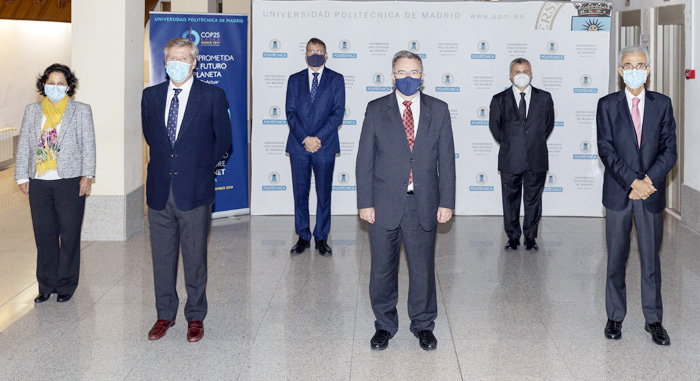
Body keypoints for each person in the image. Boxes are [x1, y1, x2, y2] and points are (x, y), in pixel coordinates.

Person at [356, 50, 455, 351]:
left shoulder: (438, 109)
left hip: (422, 203)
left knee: (423, 269)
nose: (408, 78)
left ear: (423, 77)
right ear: (392, 76)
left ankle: (423, 324)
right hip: (383, 203)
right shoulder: (376, 109)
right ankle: (384, 325)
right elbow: (365, 160)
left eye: (414, 73)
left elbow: (447, 161)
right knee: (382, 270)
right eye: (402, 73)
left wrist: (447, 202)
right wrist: (365, 202)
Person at [141, 37, 232, 342]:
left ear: (194, 63)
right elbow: (152, 137)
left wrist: (200, 167)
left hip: (194, 190)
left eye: (183, 58)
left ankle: (195, 315)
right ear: (165, 63)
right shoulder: (150, 96)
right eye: (172, 59)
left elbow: (224, 141)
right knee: (162, 257)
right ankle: (165, 314)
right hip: (158, 190)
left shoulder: (212, 95)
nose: (177, 63)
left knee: (194, 258)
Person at [596, 45, 677, 346]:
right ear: (620, 71)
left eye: (639, 64)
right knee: (616, 257)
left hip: (651, 194)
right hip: (619, 193)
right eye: (628, 65)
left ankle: (653, 320)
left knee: (650, 260)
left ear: (648, 69)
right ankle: (615, 315)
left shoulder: (663, 104)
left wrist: (648, 181)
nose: (634, 69)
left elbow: (670, 150)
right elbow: (606, 149)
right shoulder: (606, 105)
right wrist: (632, 181)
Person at [15, 63, 95, 304]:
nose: (56, 87)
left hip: (69, 180)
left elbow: (88, 145)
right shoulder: (32, 111)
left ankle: (66, 285)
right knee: (45, 234)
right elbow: (25, 145)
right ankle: (46, 285)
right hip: (39, 181)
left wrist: (87, 175)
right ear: (43, 85)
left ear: (69, 86)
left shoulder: (80, 110)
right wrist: (22, 176)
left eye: (61, 83)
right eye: (51, 82)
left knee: (69, 234)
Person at [285, 37, 346, 256]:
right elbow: (290, 113)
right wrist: (305, 138)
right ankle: (303, 236)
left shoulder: (336, 79)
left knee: (323, 193)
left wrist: (317, 138)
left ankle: (321, 237)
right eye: (311, 50)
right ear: (305, 54)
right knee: (300, 193)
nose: (315, 54)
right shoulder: (294, 80)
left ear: (326, 55)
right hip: (299, 146)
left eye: (319, 51)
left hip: (325, 145)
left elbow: (338, 113)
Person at [488, 58, 554, 251]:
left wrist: (532, 143)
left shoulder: (545, 98)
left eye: (525, 71)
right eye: (517, 71)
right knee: (510, 201)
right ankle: (513, 238)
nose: (522, 74)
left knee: (534, 200)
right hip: (510, 159)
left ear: (531, 74)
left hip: (537, 158)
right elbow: (495, 127)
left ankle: (531, 238)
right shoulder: (498, 99)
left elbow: (548, 125)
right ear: (510, 75)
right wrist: (512, 144)